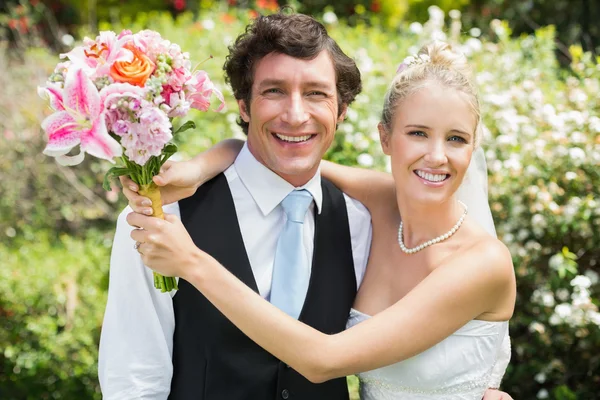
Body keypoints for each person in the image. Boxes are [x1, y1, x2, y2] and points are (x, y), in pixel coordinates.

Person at [122, 41, 516, 399]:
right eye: (417, 133)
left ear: (474, 146)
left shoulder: (483, 263)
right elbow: (282, 152)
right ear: (385, 138)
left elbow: (322, 360)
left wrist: (191, 262)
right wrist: (198, 167)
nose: (435, 156)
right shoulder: (381, 205)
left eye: (457, 139)